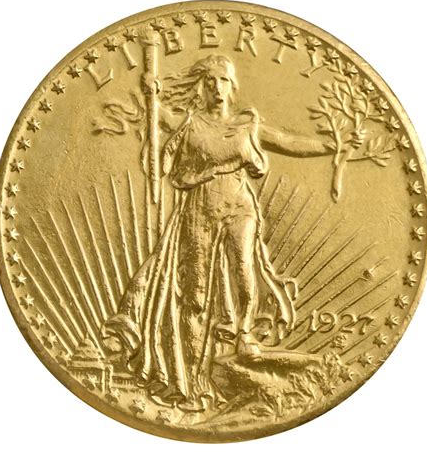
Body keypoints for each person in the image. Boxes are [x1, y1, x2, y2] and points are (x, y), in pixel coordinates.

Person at [101, 55, 335, 412]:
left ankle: (245, 334)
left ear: (232, 85)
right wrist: (150, 90)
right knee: (195, 294)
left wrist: (330, 146)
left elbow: (286, 141)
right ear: (201, 86)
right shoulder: (190, 123)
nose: (216, 87)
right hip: (200, 209)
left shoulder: (246, 125)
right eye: (209, 80)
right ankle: (191, 379)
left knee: (244, 270)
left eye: (222, 80)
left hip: (240, 206)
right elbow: (157, 113)